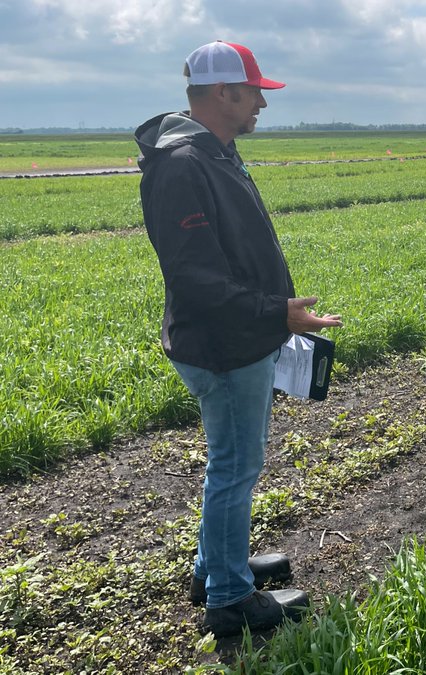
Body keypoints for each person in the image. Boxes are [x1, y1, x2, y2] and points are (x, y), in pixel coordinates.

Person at [134, 40, 341, 637]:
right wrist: (277, 313)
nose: (262, 105)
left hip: (241, 336)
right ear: (223, 92)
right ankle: (228, 598)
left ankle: (214, 568)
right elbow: (196, 279)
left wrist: (273, 316)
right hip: (223, 347)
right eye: (254, 93)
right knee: (235, 467)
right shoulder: (184, 165)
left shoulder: (214, 153)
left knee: (231, 463)